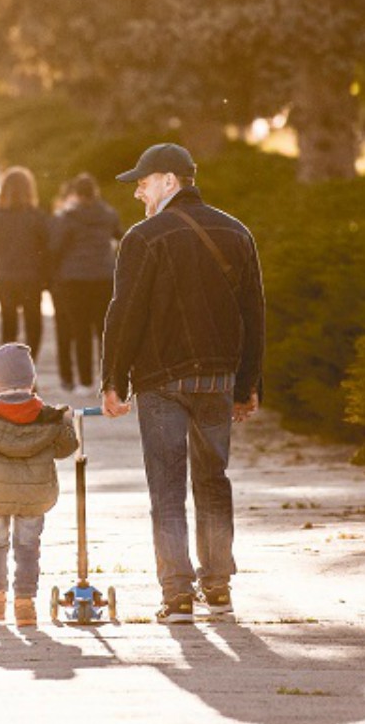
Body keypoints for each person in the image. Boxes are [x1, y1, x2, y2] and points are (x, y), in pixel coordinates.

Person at [99, 142, 265, 623]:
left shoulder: (143, 237)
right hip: (217, 379)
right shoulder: (237, 233)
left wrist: (114, 380)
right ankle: (218, 590)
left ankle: (176, 597)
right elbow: (254, 315)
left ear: (170, 181)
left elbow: (124, 315)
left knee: (167, 488)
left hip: (159, 380)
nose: (138, 194)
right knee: (213, 481)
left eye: (144, 183)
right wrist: (248, 382)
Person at [0, 343, 78, 628]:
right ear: (31, 379)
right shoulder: (49, 417)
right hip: (34, 496)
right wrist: (67, 420)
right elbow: (65, 448)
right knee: (28, 546)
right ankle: (25, 604)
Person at [46, 173, 123, 395]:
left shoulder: (68, 217)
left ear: (77, 194)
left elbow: (55, 247)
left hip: (74, 280)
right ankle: (107, 380)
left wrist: (54, 276)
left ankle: (86, 382)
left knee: (80, 331)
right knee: (103, 331)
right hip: (103, 277)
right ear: (95, 192)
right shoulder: (109, 215)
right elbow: (122, 237)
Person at [0, 167, 53, 354]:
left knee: (9, 324)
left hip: (5, 278)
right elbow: (46, 249)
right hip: (32, 279)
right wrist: (48, 278)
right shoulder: (37, 216)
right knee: (33, 325)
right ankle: (30, 368)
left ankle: (12, 371)